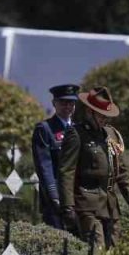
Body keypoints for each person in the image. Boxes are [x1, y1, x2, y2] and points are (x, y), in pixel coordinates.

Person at [56, 86, 129, 250]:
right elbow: (66, 171)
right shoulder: (76, 134)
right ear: (90, 111)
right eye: (102, 115)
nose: (105, 119)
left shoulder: (111, 134)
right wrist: (67, 206)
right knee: (97, 254)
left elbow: (120, 170)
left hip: (111, 206)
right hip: (88, 205)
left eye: (107, 116)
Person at [32, 83, 79, 229]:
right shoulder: (45, 129)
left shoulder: (78, 129)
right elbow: (44, 165)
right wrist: (53, 195)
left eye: (71, 102)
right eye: (63, 102)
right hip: (56, 198)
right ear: (54, 103)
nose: (67, 106)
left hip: (77, 195)